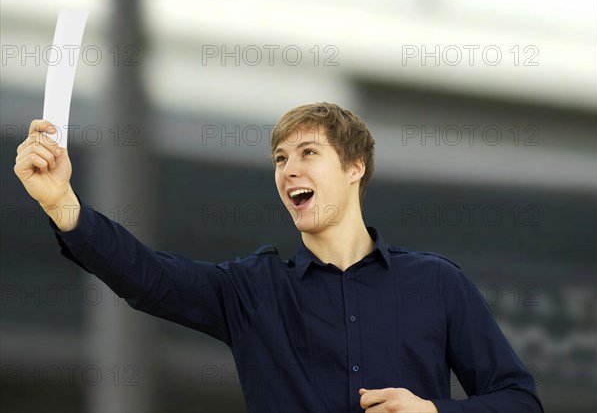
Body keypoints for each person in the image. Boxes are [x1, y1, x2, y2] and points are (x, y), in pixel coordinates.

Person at [14, 102, 543, 413]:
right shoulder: (252, 290)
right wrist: (62, 202)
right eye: (280, 159)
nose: (289, 170)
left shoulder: (436, 283)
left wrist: (435, 412)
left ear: (355, 166)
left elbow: (519, 400)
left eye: (308, 153)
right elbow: (148, 277)